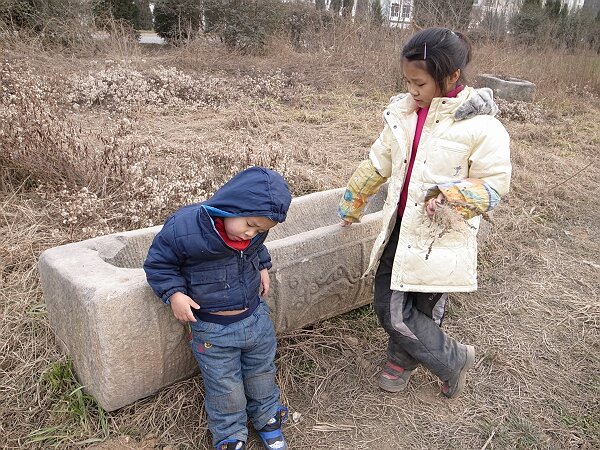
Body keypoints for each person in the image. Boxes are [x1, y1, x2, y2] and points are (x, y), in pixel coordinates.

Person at [338, 27, 512, 398]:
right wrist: (353, 200)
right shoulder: (405, 113)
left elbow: (495, 186)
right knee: (391, 308)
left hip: (442, 239)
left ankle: (401, 362)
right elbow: (378, 161)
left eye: (419, 83)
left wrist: (453, 197)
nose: (413, 91)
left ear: (450, 76)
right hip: (402, 227)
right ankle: (452, 359)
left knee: (423, 307)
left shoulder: (481, 127)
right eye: (408, 82)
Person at [144, 166, 292, 450]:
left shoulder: (251, 233)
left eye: (260, 230)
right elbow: (159, 264)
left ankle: (266, 416)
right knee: (225, 386)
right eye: (250, 224)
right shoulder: (184, 228)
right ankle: (230, 432)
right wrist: (174, 293)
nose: (251, 233)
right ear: (232, 205)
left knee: (261, 371)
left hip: (256, 318)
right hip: (212, 330)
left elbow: (255, 248)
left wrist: (262, 266)